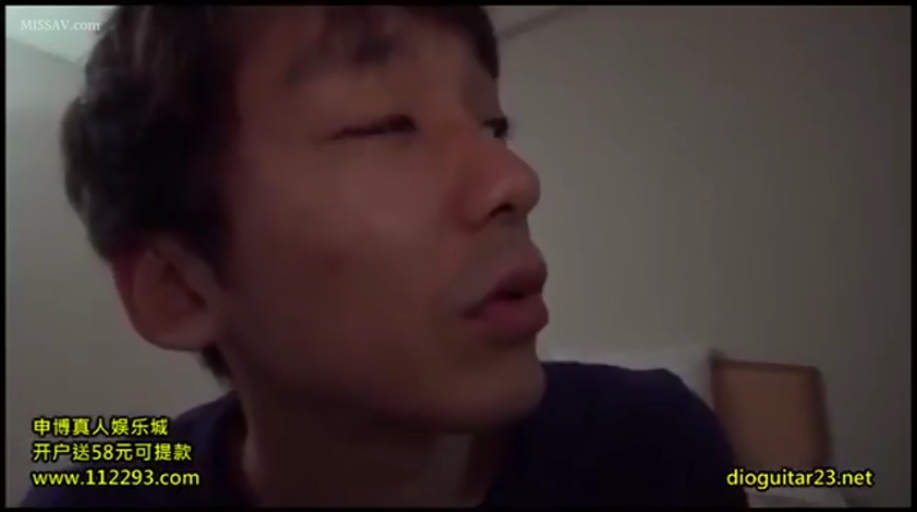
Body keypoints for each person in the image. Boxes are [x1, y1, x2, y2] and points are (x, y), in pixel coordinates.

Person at [22, 6, 747, 508]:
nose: (514, 180)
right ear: (180, 287)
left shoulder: (650, 447)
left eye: (492, 126)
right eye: (386, 125)